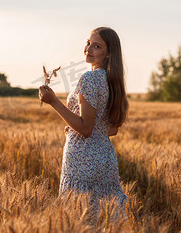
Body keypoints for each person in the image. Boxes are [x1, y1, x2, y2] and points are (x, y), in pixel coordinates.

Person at [39, 27, 129, 224]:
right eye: (88, 43)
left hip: (82, 160)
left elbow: (86, 128)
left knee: (79, 220)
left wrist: (53, 101)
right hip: (105, 159)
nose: (88, 49)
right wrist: (74, 128)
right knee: (105, 220)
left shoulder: (90, 79)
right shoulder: (113, 81)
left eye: (96, 46)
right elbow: (110, 129)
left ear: (108, 53)